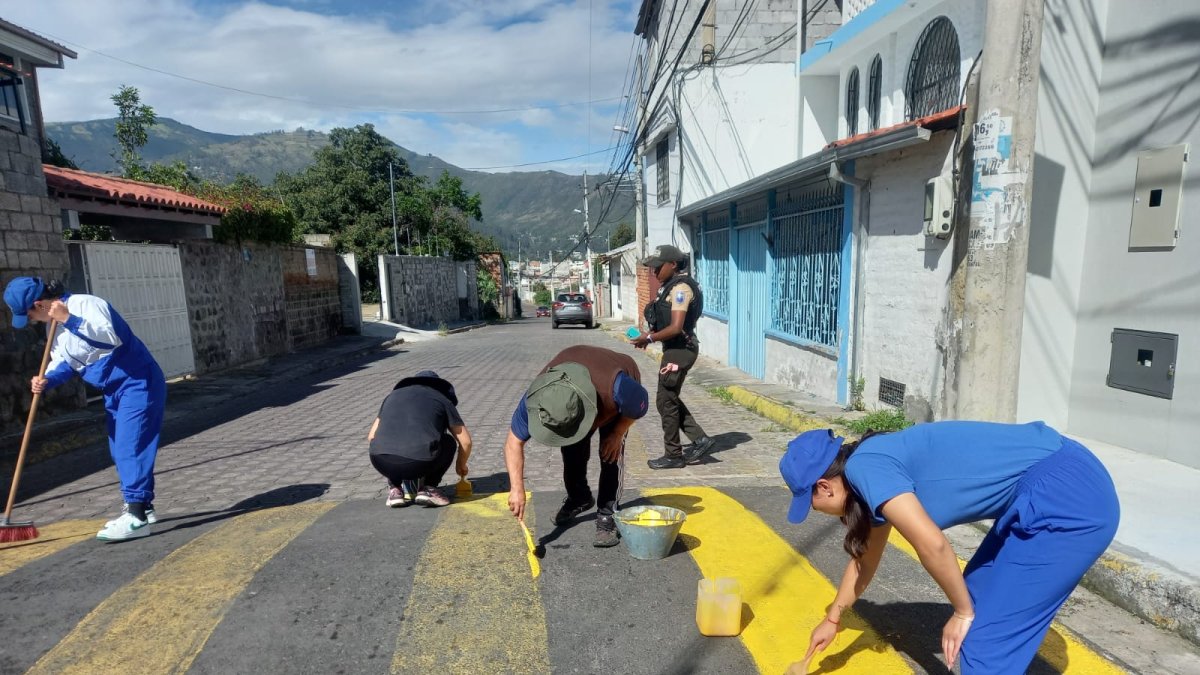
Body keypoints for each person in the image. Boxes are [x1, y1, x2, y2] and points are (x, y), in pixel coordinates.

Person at [780, 421, 1120, 674]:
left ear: (823, 487)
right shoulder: (871, 473)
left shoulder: (866, 469)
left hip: (1070, 498)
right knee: (975, 590)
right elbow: (864, 563)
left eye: (808, 503)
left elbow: (933, 546)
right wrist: (833, 619)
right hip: (1052, 481)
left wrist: (962, 612)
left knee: (984, 641)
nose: (814, 511)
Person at [4, 276, 167, 542]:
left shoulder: (86, 305)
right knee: (120, 449)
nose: (30, 320)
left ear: (40, 304)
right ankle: (144, 507)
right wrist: (46, 380)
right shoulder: (52, 329)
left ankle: (136, 516)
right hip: (114, 390)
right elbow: (66, 363)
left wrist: (70, 319)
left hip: (139, 382)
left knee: (129, 446)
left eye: (29, 314)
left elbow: (109, 338)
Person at [504, 345, 648, 547]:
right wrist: (517, 488)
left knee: (610, 454)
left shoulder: (618, 388)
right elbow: (513, 443)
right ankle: (579, 497)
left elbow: (640, 403)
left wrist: (617, 433)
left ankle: (607, 513)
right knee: (571, 448)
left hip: (614, 395)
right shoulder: (536, 399)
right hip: (580, 390)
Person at [631, 244, 714, 469]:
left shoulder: (680, 289)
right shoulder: (669, 287)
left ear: (673, 264)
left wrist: (649, 338)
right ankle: (699, 439)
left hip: (680, 349)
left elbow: (676, 327)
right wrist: (649, 336)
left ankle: (673, 455)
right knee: (667, 399)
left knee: (665, 400)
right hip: (674, 349)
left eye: (658, 267)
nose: (654, 272)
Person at [367, 370, 472, 508]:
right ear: (439, 387)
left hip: (380, 461)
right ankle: (429, 489)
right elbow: (466, 442)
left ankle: (395, 489)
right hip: (419, 462)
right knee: (448, 442)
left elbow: (371, 436)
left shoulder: (392, 396)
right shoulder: (442, 399)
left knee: (392, 441)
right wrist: (461, 464)